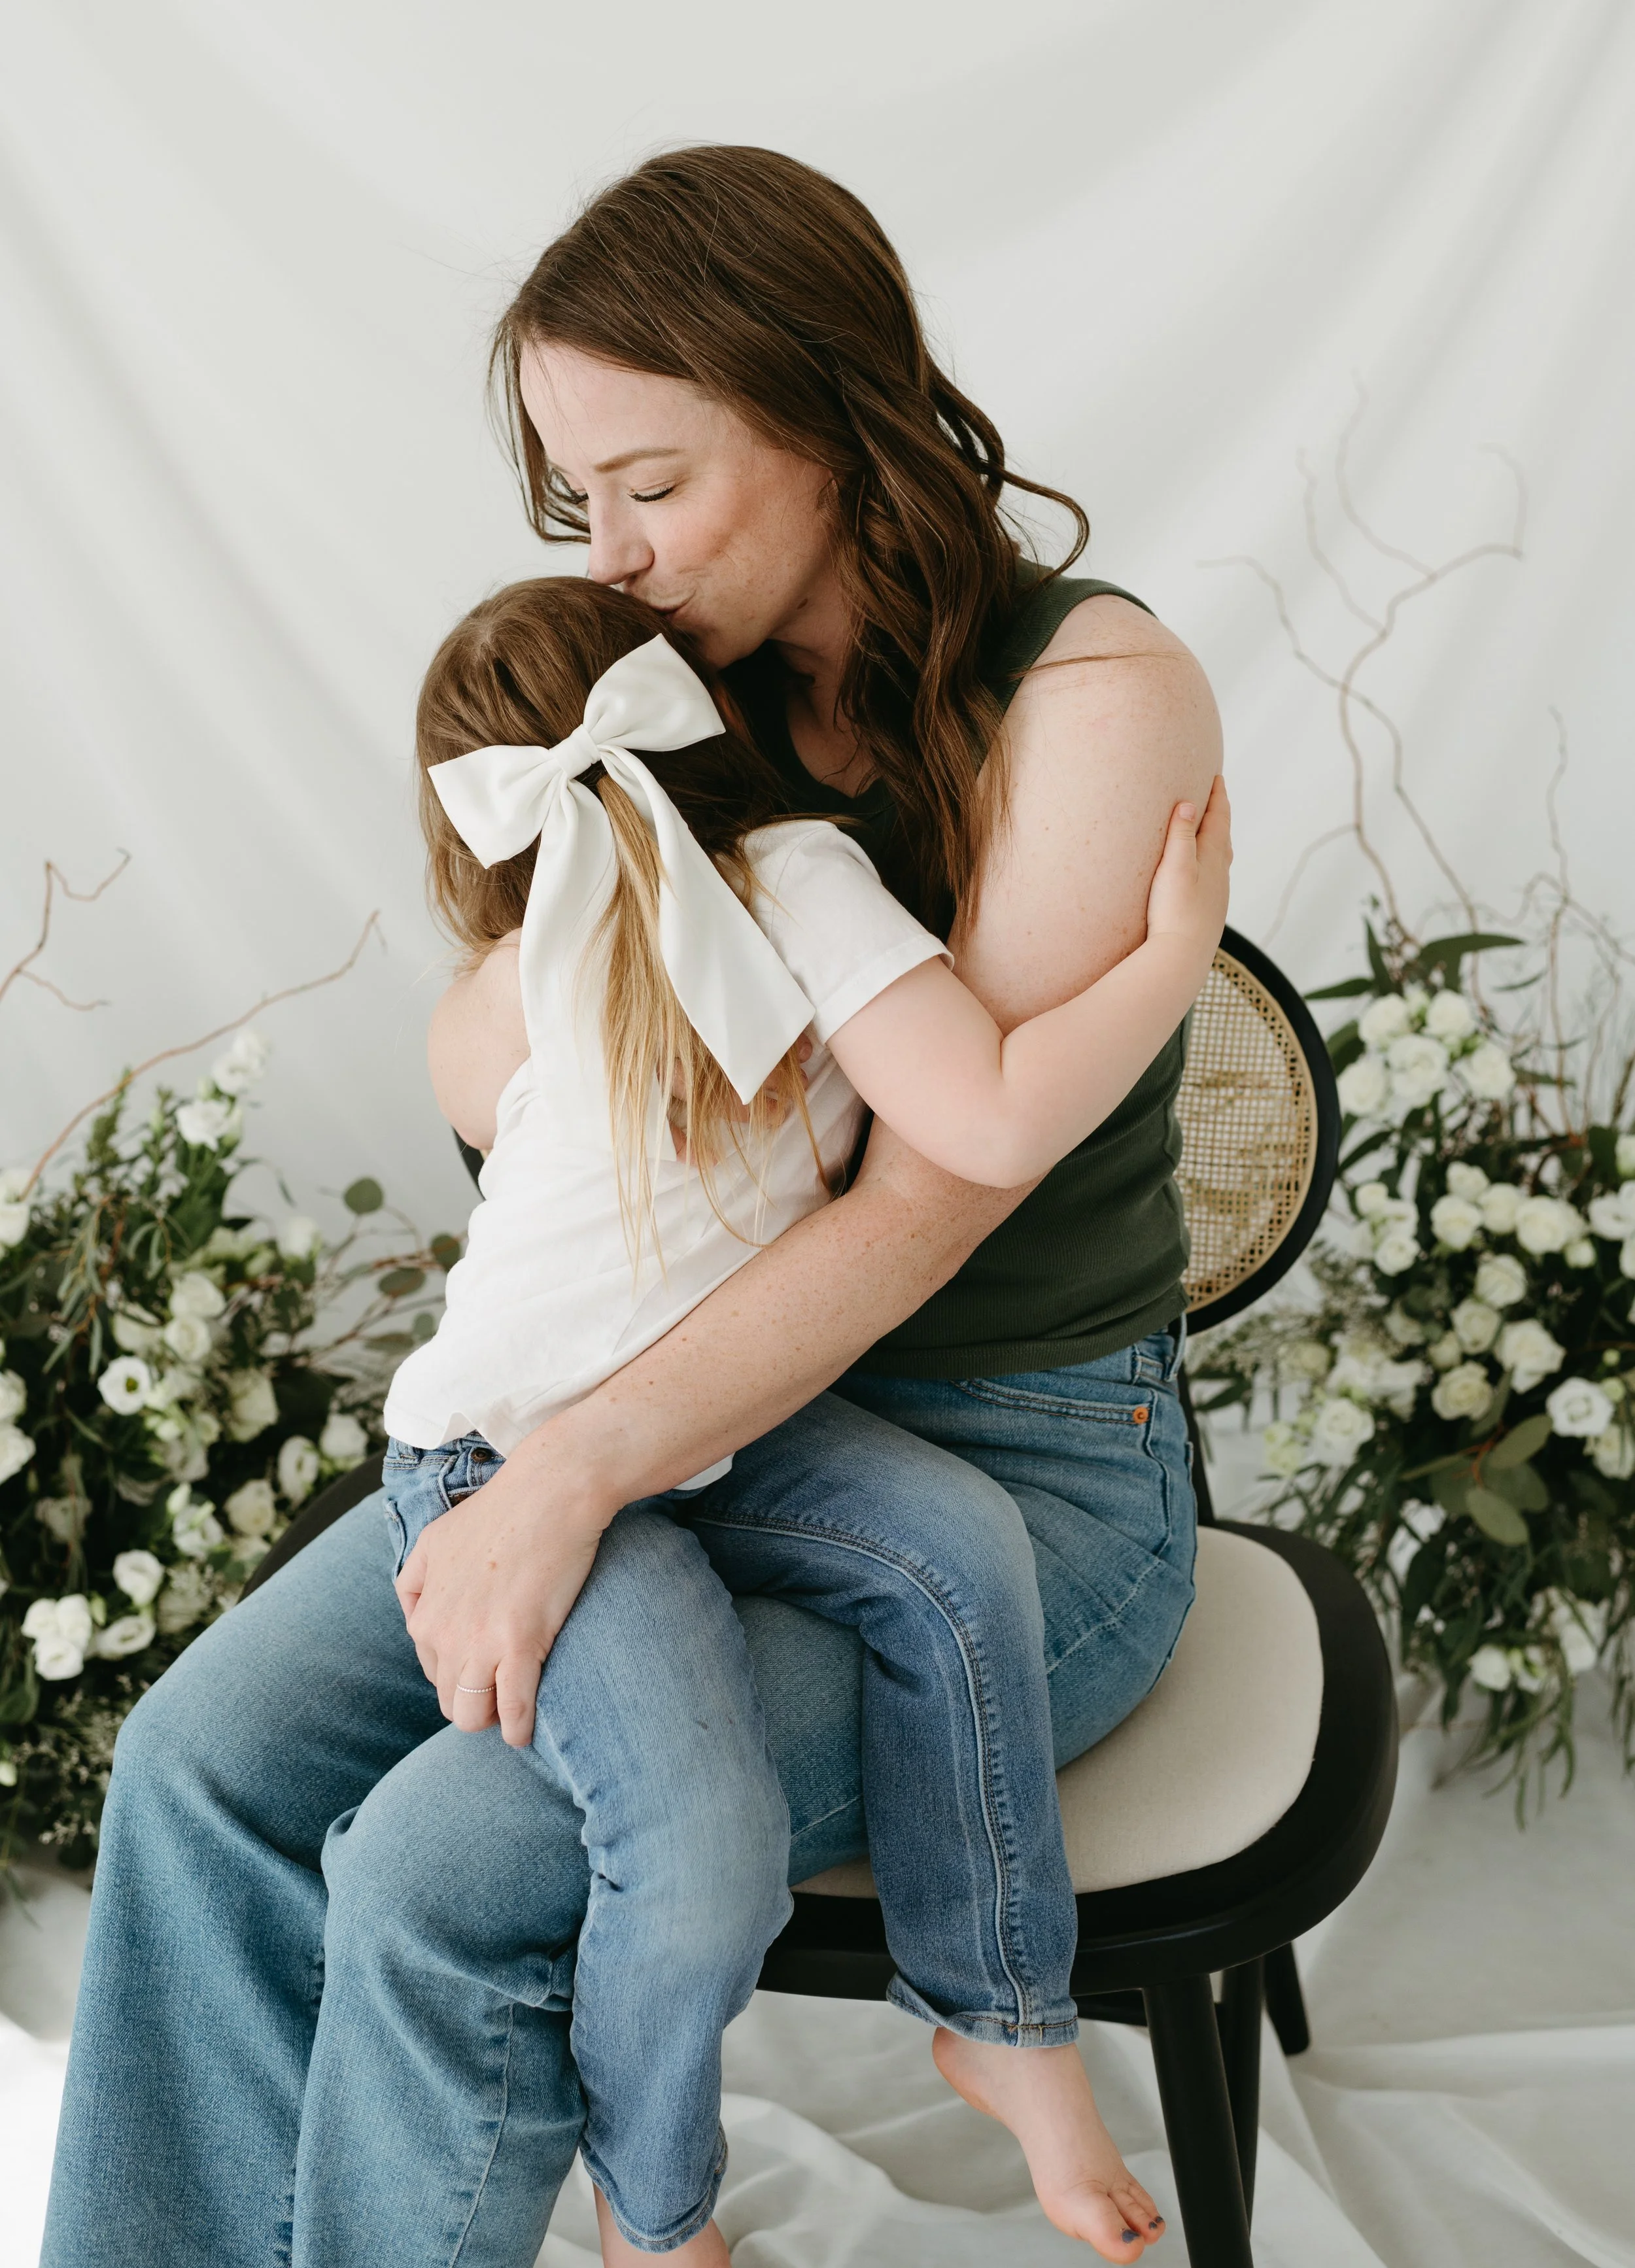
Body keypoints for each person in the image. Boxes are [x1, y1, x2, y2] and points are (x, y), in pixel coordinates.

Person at [43, 146, 1223, 2268]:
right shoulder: (679, 704)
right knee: (199, 1765)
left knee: (436, 1866)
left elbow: (930, 1204)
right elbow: (490, 1090)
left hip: (1018, 1486)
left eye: (654, 482)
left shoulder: (1091, 701)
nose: (617, 552)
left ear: (834, 410)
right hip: (708, 1428)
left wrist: (570, 1470)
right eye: (575, 502)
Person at [375, 577, 1227, 2260]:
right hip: (500, 1448)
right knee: (681, 1843)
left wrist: (1157, 961)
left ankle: (1000, 2017)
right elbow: (495, 1109)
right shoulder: (563, 943)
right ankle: (656, 2208)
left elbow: (973, 1129)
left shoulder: (793, 883)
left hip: (731, 1426)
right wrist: (1167, 958)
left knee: (960, 1546)